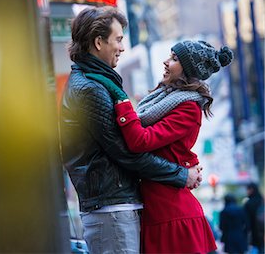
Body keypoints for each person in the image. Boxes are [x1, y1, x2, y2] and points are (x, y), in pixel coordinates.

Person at [60, 6, 202, 254]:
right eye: (118, 39)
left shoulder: (96, 82)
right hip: (111, 210)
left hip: (114, 207)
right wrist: (181, 175)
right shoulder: (91, 89)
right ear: (98, 42)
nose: (122, 47)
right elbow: (126, 151)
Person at [87, 39, 234, 253]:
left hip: (172, 215)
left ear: (188, 70)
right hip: (158, 209)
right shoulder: (163, 100)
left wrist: (122, 101)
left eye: (174, 59)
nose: (166, 62)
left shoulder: (188, 108)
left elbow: (140, 141)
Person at [244, 182, 265, 253]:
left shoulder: (248, 203)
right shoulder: (262, 200)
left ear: (251, 190)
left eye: (248, 189)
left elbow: (246, 220)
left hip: (254, 231)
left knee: (255, 248)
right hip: (263, 230)